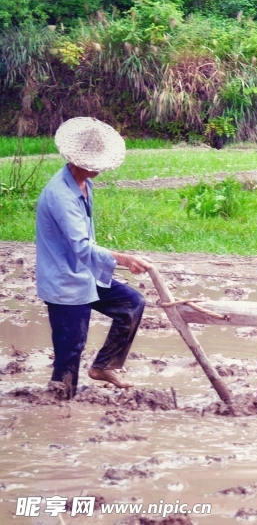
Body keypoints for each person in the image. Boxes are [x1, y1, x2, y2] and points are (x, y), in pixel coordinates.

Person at [35, 117, 152, 398]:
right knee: (70, 354)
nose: (99, 168)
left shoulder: (85, 186)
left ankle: (105, 365)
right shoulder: (61, 195)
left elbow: (86, 247)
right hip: (65, 284)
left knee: (131, 304)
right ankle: (59, 413)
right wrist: (123, 259)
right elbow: (83, 247)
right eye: (94, 162)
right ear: (77, 160)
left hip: (86, 275)